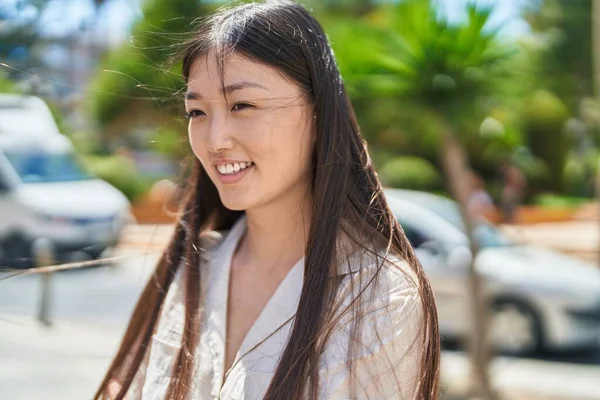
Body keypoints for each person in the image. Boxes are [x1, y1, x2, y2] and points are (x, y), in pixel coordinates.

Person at [95, 2, 440, 399]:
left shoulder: (378, 296)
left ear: (318, 113)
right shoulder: (196, 267)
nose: (214, 140)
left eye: (243, 105)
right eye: (197, 111)